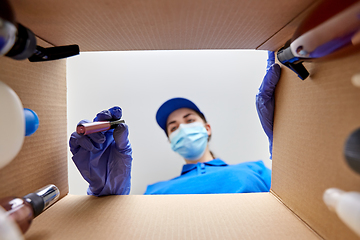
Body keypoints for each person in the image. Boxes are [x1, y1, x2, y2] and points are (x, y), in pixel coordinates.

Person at [69, 51, 281, 196]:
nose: (183, 128)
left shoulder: (256, 170)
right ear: (172, 141)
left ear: (207, 129)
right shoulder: (155, 192)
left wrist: (283, 146)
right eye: (174, 127)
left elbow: (298, 201)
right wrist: (107, 199)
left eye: (189, 120)